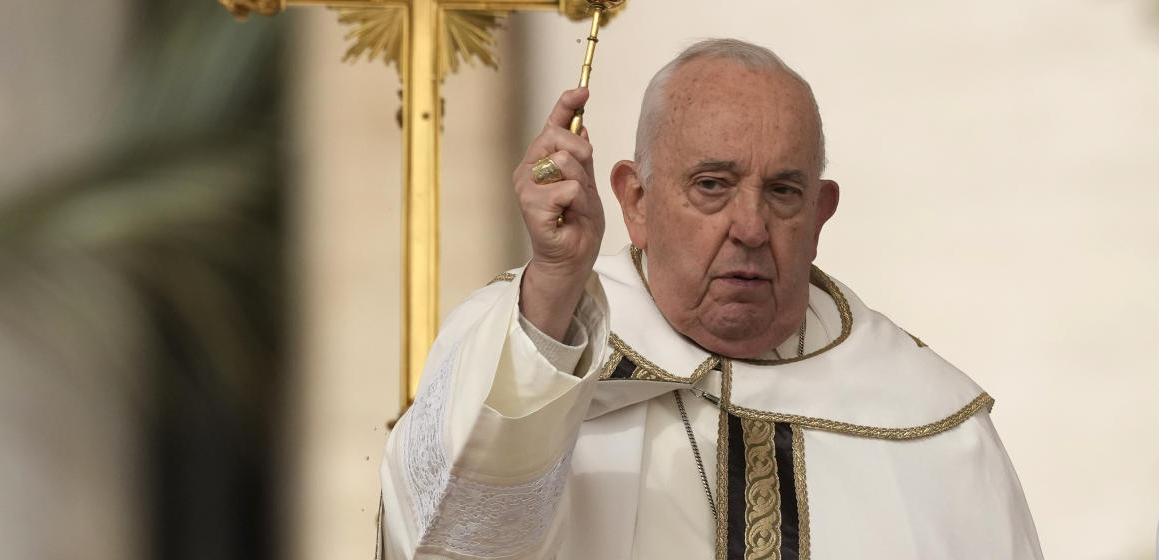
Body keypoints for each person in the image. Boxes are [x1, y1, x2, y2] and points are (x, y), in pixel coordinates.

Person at [377, 39, 1044, 559]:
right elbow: (445, 541)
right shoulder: (529, 335)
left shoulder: (931, 421)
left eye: (784, 191)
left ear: (820, 213)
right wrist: (556, 281)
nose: (749, 228)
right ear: (635, 201)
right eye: (712, 186)